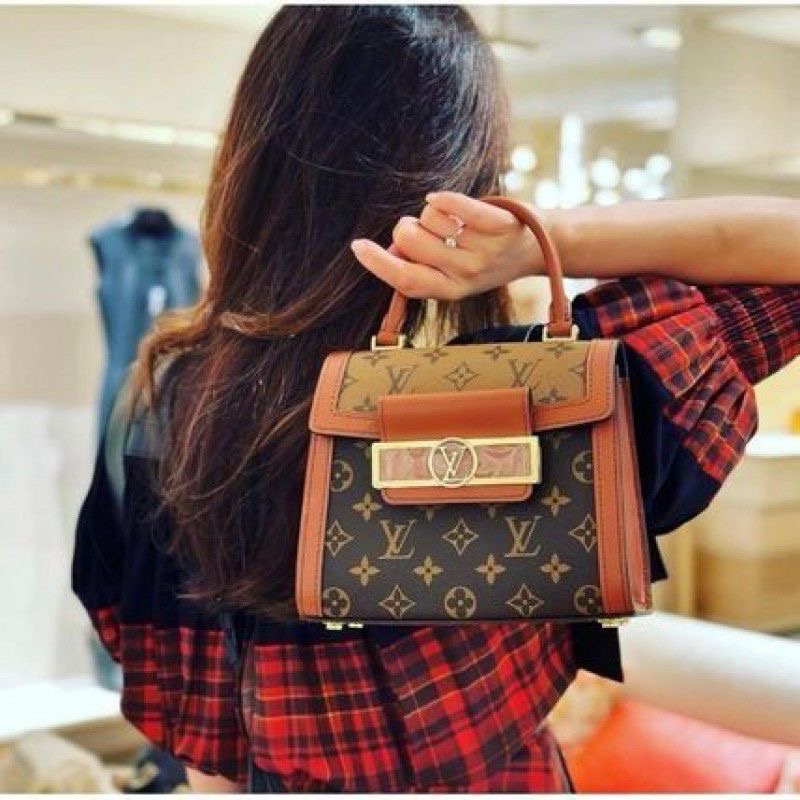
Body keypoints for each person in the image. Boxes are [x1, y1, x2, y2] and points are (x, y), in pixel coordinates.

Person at [72, 6, 800, 793]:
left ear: (256, 165)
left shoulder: (176, 403)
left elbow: (201, 739)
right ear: (470, 178)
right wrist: (545, 239)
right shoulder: (553, 398)